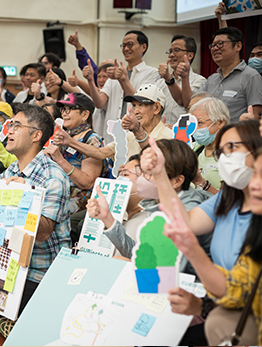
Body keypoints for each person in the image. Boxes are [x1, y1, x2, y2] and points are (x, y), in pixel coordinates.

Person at [138, 121, 262, 341]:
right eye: (222, 151)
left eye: (233, 147)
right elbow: (184, 221)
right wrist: (159, 174)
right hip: (225, 299)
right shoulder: (227, 198)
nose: (226, 156)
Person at [0, 103, 71, 338]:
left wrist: (27, 198)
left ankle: (27, 329)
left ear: (36, 135)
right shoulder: (12, 169)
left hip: (40, 273)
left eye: (15, 125)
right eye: (9, 125)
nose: (8, 131)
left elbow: (43, 232)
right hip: (11, 266)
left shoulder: (53, 176)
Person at [88, 139, 213, 271]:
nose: (142, 178)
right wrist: (107, 218)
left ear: (177, 181)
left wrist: (132, 266)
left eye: (152, 173)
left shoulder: (190, 208)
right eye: (142, 171)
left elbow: (170, 267)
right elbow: (141, 253)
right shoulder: (158, 204)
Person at [54, 84, 173, 162]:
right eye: (134, 105)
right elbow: (101, 153)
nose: (136, 111)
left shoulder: (169, 137)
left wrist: (137, 130)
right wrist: (70, 142)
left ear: (156, 108)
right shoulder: (129, 136)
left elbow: (154, 158)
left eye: (141, 105)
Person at [82, 30, 159, 131]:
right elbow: (99, 103)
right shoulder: (115, 74)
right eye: (123, 45)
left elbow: (141, 103)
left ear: (143, 47)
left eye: (130, 44)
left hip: (136, 133)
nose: (126, 49)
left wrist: (123, 80)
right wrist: (91, 81)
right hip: (112, 134)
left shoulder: (151, 73)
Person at [181, 27, 262, 122]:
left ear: (238, 46)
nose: (215, 48)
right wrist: (185, 77)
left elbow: (256, 117)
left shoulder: (251, 76)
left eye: (220, 44)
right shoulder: (212, 79)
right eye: (213, 45)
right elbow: (190, 105)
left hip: (236, 135)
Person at [45, 93, 104, 213]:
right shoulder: (63, 136)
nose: (64, 113)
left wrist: (60, 160)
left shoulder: (92, 140)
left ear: (85, 114)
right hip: (55, 197)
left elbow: (87, 183)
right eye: (63, 109)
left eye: (70, 109)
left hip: (76, 205)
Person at [157, 35, 206, 125]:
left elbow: (189, 105)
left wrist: (169, 78)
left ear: (190, 55)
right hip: (162, 134)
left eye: (176, 50)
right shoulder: (160, 83)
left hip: (184, 136)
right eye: (170, 51)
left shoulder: (199, 81)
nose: (171, 55)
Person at [189, 97, 230, 193]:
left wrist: (201, 183)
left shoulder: (230, 156)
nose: (195, 129)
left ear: (220, 122)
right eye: (193, 124)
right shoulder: (193, 147)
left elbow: (230, 201)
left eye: (200, 123)